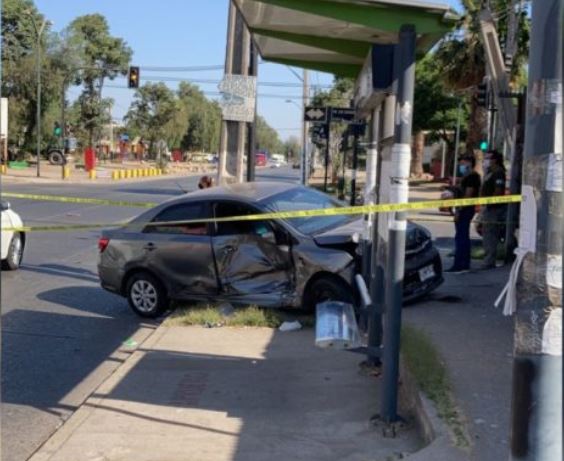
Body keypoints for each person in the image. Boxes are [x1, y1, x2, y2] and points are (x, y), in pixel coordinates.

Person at [445, 156, 481, 273]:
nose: (461, 166)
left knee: (461, 237)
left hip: (465, 209)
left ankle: (461, 264)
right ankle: (462, 263)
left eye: (463, 163)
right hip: (464, 208)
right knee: (461, 236)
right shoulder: (467, 177)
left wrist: (459, 210)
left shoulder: (472, 177)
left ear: (470, 163)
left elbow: (468, 195)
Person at [479, 150, 507, 269]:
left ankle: (489, 261)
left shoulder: (498, 173)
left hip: (494, 208)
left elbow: (498, 190)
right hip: (487, 207)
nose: (485, 160)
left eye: (488, 158)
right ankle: (488, 259)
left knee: (490, 235)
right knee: (487, 234)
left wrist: (489, 203)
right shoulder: (490, 172)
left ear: (495, 160)